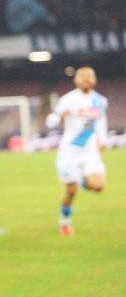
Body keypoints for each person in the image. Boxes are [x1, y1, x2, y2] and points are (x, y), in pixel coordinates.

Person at [45, 67, 108, 236]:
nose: (86, 80)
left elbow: (101, 122)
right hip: (69, 152)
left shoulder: (100, 101)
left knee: (98, 186)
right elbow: (50, 122)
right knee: (70, 191)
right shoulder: (68, 100)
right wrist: (59, 117)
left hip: (90, 152)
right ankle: (64, 222)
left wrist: (103, 140)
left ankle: (80, 179)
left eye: (89, 77)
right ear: (76, 80)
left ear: (94, 80)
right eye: (82, 77)